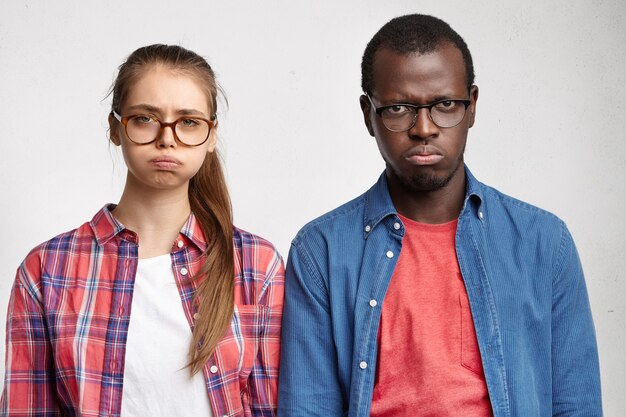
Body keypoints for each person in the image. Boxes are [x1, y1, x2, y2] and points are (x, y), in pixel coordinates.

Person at [278, 14, 602, 417]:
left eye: (445, 104)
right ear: (368, 114)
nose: (424, 128)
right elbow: (308, 408)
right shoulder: (320, 251)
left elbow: (577, 405)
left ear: (472, 106)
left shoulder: (544, 242)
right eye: (398, 108)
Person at [1, 44, 284, 416]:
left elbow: (275, 406)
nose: (167, 138)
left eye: (189, 122)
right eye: (145, 118)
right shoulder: (46, 270)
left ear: (212, 135)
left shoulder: (256, 265)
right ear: (116, 128)